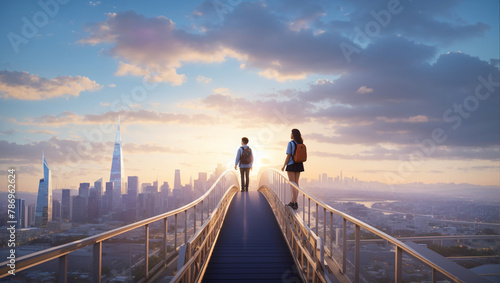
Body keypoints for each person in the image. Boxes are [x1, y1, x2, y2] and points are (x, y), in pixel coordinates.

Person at [281, 129, 304, 210]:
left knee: (292, 184)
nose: (290, 135)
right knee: (296, 184)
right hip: (299, 164)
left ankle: (294, 202)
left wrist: (284, 165)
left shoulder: (291, 143)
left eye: (291, 133)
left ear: (293, 135)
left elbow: (288, 155)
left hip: (291, 164)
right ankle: (293, 201)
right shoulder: (300, 143)